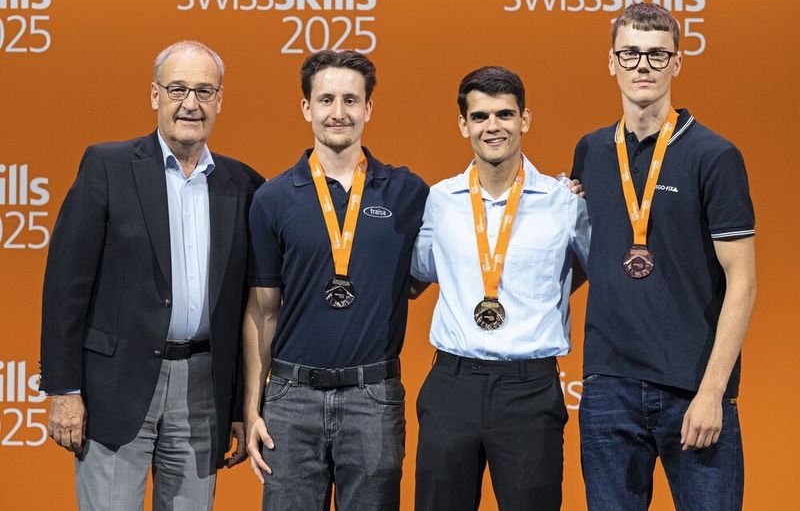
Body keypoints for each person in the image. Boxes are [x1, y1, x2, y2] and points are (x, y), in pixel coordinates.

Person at [39, 40, 263, 510]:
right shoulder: (108, 166)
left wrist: (243, 404)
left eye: (204, 91)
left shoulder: (243, 184)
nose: (191, 104)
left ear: (220, 100)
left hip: (203, 390)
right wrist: (64, 390)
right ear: (154, 95)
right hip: (114, 387)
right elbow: (66, 286)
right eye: (178, 88)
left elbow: (248, 307)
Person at [571, 2, 756, 510]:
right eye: (629, 54)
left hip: (692, 389)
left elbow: (742, 281)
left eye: (657, 55)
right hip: (609, 388)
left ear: (678, 62)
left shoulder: (715, 156)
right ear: (611, 62)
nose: (643, 67)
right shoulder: (589, 151)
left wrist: (713, 391)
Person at [243, 50, 428, 511]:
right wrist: (252, 407)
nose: (338, 113)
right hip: (290, 399)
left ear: (369, 108)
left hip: (373, 398)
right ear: (307, 108)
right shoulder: (273, 197)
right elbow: (262, 310)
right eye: (326, 100)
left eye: (351, 100)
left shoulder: (408, 192)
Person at [411, 66, 590, 511]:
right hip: (452, 385)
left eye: (505, 114)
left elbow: (597, 272)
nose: (493, 126)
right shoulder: (440, 200)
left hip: (529, 389)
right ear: (463, 125)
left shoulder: (564, 202)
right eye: (481, 116)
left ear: (525, 120)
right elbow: (416, 273)